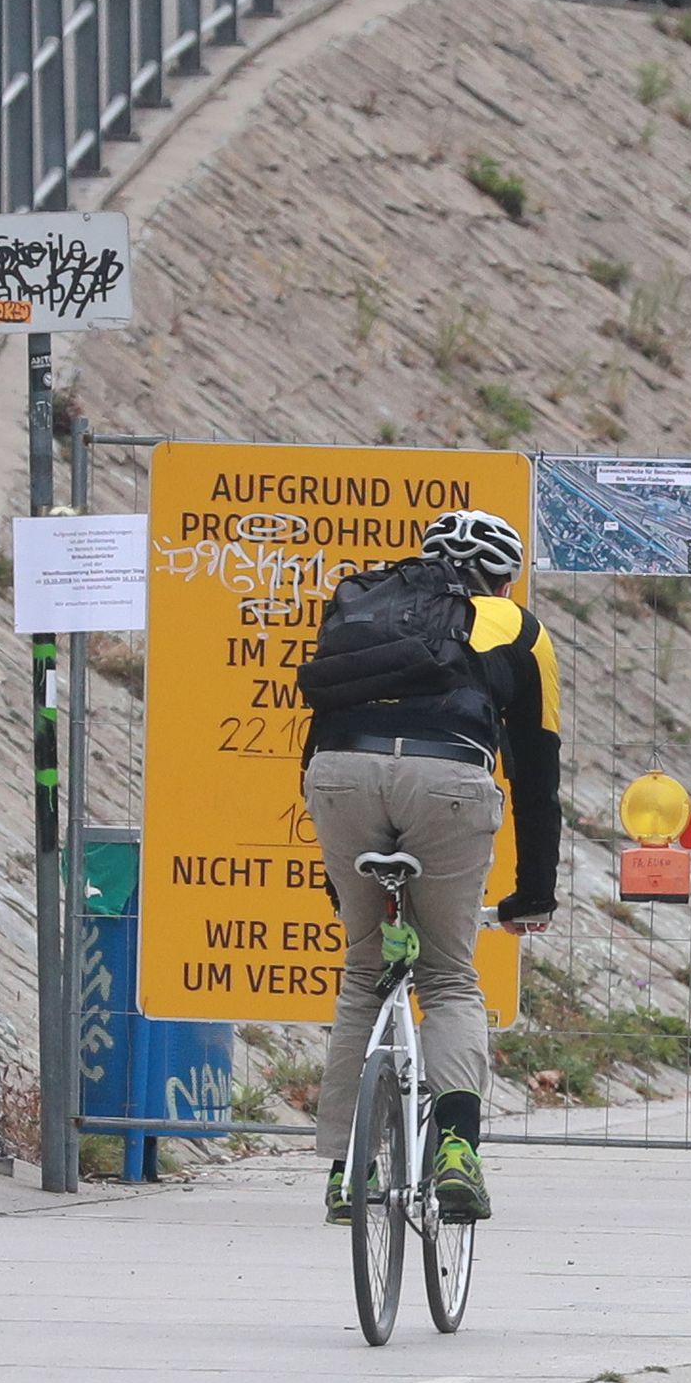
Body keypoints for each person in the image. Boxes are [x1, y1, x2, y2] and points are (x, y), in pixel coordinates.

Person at [292, 508, 562, 1226]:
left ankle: (349, 1171)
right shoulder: (519, 630)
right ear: (503, 579)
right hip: (449, 783)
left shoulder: (368, 609)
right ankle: (456, 1154)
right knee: (447, 979)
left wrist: (341, 874)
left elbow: (315, 734)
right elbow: (537, 775)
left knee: (362, 972)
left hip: (340, 777)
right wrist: (532, 893)